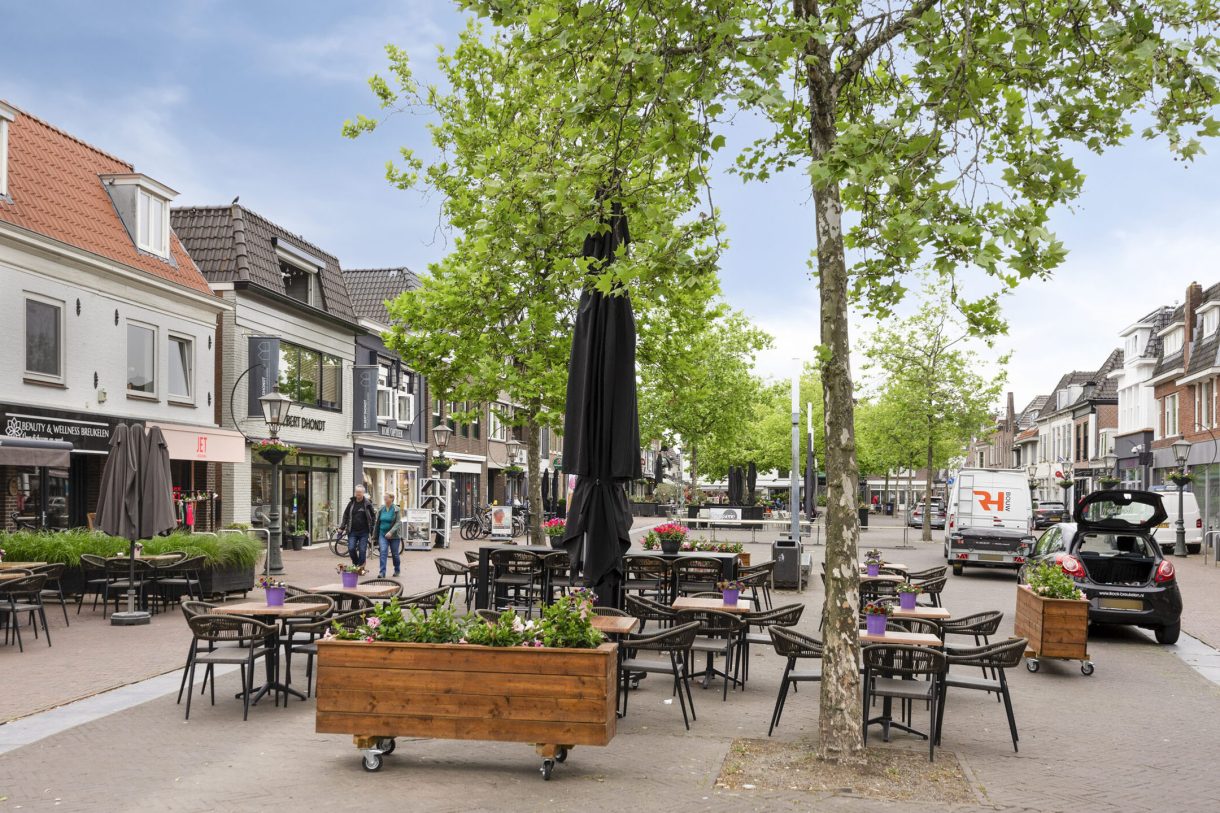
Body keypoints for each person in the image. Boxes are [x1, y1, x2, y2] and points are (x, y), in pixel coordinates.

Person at [339, 485, 376, 568]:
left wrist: (372, 527)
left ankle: (361, 565)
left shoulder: (367, 503)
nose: (358, 494)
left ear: (363, 493)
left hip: (364, 531)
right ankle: (356, 563)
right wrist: (342, 527)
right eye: (357, 492)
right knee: (351, 548)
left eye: (360, 492)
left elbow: (373, 516)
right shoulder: (351, 503)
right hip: (352, 531)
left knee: (362, 550)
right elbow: (346, 515)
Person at [376, 492, 403, 578]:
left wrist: (391, 532)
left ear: (391, 499)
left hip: (394, 536)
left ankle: (397, 570)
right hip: (382, 534)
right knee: (383, 551)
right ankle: (382, 572)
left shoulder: (396, 509)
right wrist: (375, 534)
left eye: (386, 497)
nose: (385, 498)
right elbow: (378, 522)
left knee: (395, 554)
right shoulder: (381, 509)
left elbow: (398, 522)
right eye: (384, 497)